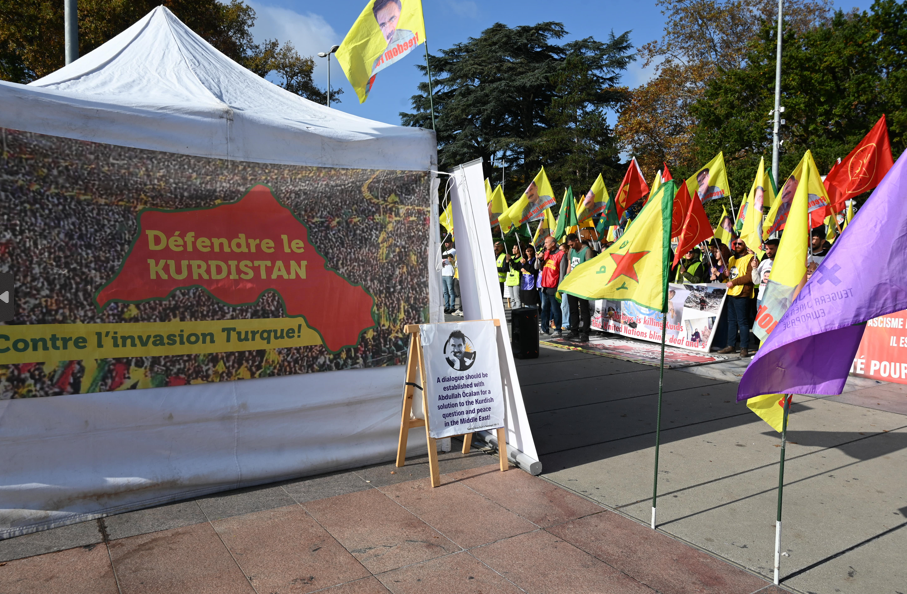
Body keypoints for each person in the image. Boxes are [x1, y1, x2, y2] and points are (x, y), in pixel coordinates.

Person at [717, 238, 757, 357]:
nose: (737, 245)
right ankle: (731, 345)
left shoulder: (751, 258)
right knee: (731, 321)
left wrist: (734, 282)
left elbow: (750, 277)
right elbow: (728, 276)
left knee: (742, 321)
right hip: (731, 293)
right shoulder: (731, 259)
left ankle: (744, 347)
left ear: (745, 245)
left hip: (742, 293)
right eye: (735, 243)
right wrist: (724, 275)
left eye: (740, 243)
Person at [537, 235, 566, 337]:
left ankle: (558, 330)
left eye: (546, 242)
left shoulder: (561, 254)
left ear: (553, 243)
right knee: (544, 309)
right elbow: (538, 268)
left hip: (554, 286)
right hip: (544, 285)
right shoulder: (546, 253)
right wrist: (539, 259)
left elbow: (562, 272)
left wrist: (560, 287)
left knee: (555, 309)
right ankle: (544, 328)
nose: (544, 244)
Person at [564, 233, 592, 342]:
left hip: (582, 283)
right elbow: (569, 265)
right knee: (573, 309)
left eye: (572, 244)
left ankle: (585, 332)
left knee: (584, 309)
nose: (571, 247)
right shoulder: (571, 251)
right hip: (572, 283)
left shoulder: (587, 250)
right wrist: (567, 279)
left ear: (576, 240)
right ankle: (574, 330)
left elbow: (589, 267)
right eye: (569, 245)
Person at [755, 238, 778, 308]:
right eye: (767, 249)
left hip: (775, 300)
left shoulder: (783, 263)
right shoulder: (764, 262)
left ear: (778, 248)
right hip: (761, 298)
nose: (768, 251)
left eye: (771, 249)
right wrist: (754, 269)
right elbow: (756, 281)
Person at [516, 245, 540, 309]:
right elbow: (516, 266)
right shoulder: (524, 259)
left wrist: (526, 264)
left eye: (531, 251)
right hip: (524, 284)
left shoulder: (535, 260)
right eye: (528, 251)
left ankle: (534, 314)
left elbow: (533, 270)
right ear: (525, 252)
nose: (529, 252)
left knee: (532, 303)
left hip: (532, 284)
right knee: (526, 303)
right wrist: (521, 268)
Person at [505, 244, 522, 308]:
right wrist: (507, 261)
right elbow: (506, 269)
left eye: (515, 248)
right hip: (510, 280)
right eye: (513, 248)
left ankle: (518, 311)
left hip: (516, 281)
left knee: (517, 298)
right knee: (512, 299)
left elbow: (516, 267)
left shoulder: (521, 258)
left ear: (519, 250)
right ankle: (514, 311)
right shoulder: (511, 257)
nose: (513, 249)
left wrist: (511, 260)